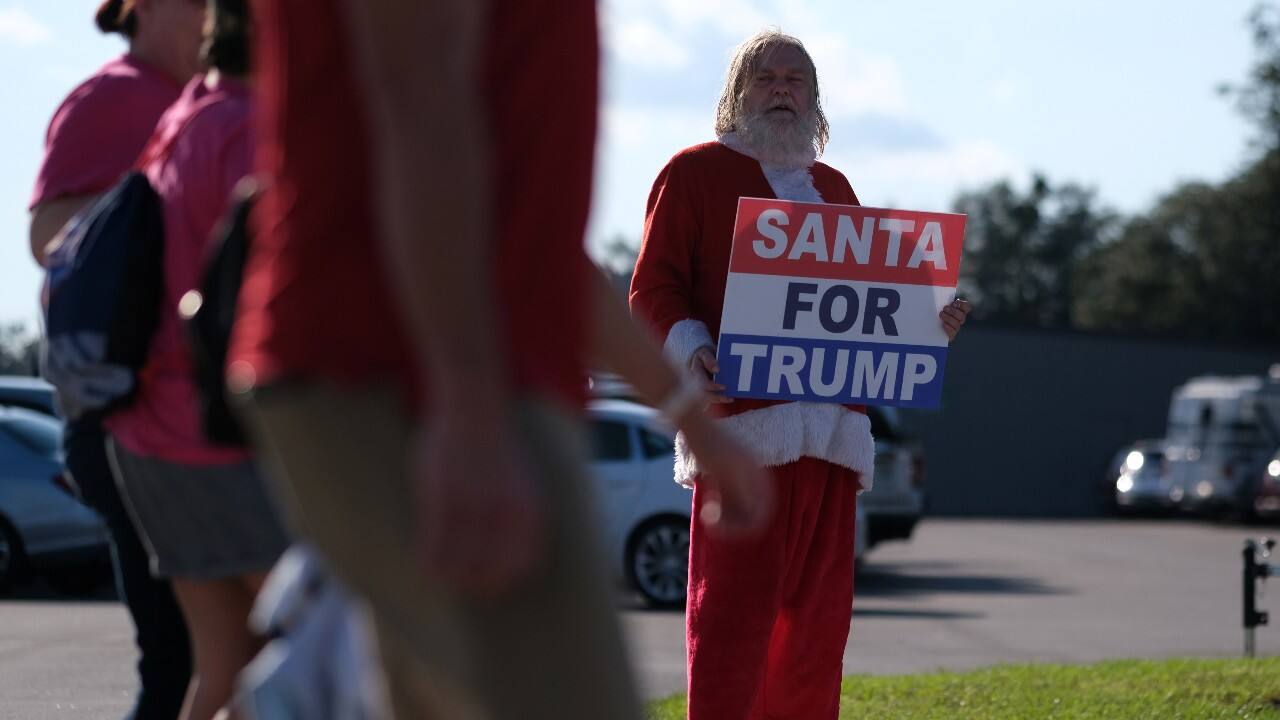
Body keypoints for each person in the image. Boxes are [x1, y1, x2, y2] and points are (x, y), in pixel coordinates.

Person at [227, 0, 770, 717]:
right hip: (396, 373)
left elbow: (536, 243)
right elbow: (418, 98)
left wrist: (686, 415)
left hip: (420, 377)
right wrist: (467, 406)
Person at [629, 29, 972, 720]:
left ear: (815, 101)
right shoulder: (693, 173)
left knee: (816, 634)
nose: (783, 89)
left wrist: (925, 328)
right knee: (732, 626)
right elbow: (652, 288)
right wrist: (693, 350)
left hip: (833, 446)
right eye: (767, 78)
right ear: (738, 93)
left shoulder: (836, 188)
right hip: (741, 439)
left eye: (797, 79)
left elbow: (862, 308)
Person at [103, 3, 290, 719]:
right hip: (214, 436)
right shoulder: (250, 130)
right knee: (297, 660)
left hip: (150, 430)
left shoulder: (187, 115)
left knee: (225, 669)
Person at [27, 1, 204, 717]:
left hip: (181, 416)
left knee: (205, 659)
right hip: (130, 416)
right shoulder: (116, 95)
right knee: (178, 660)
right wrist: (165, 215)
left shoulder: (200, 100)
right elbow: (49, 236)